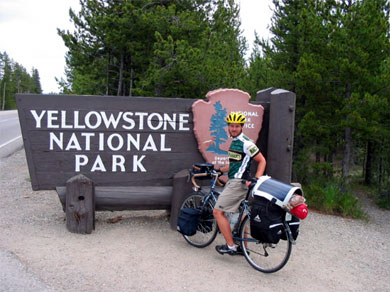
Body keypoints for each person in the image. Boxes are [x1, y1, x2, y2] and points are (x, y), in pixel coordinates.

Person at [213, 112, 266, 255]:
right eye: (231, 126)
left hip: (237, 183)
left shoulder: (246, 143)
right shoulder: (234, 142)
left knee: (217, 212)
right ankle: (244, 248)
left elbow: (262, 161)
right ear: (228, 127)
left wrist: (257, 179)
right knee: (241, 216)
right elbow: (234, 165)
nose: (234, 128)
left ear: (242, 127)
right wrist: (219, 171)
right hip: (234, 181)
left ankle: (231, 246)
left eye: (237, 126)